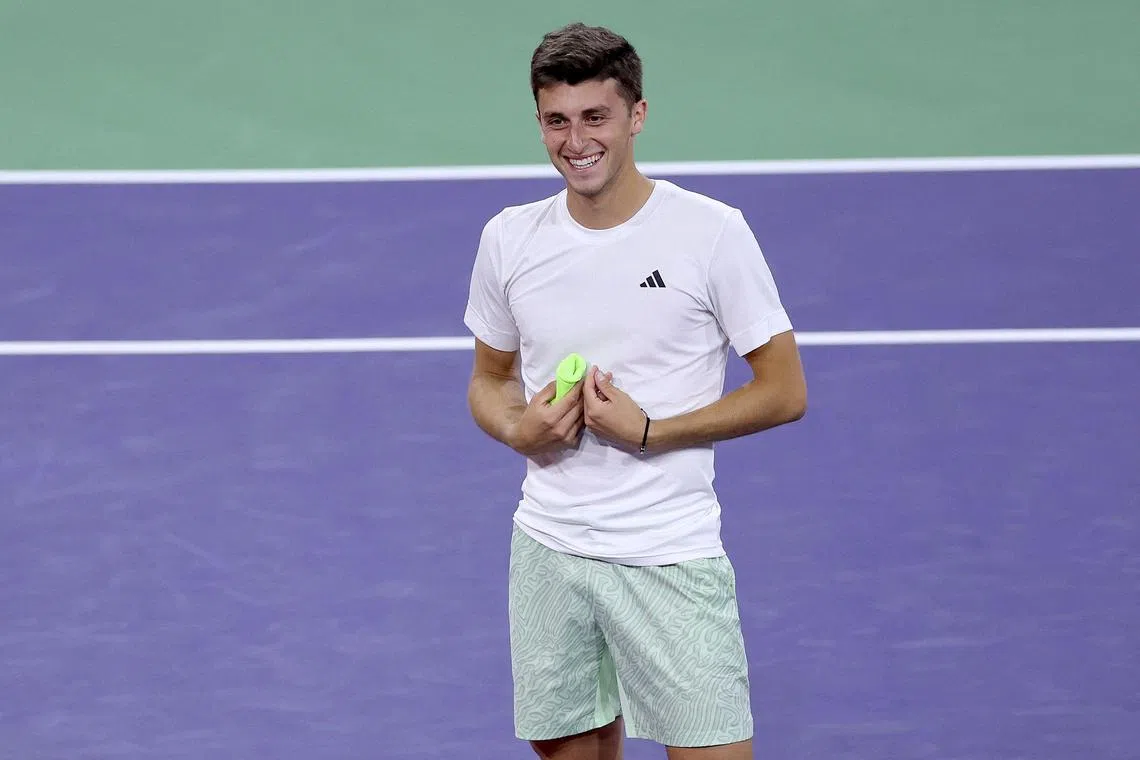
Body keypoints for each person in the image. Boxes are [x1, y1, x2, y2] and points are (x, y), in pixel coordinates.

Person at [463, 21, 807, 760]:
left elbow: (784, 390)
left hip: (669, 555)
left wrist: (652, 432)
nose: (575, 141)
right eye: (557, 120)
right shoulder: (509, 239)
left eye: (596, 117)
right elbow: (489, 380)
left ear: (637, 116)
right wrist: (516, 429)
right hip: (549, 551)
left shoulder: (711, 234)